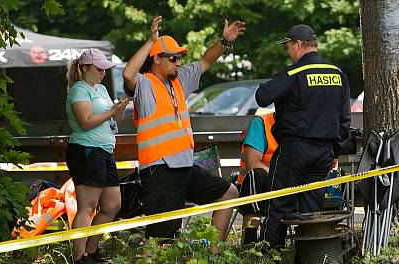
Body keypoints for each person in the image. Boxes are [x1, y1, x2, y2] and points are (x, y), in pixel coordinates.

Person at [122, 15, 246, 241]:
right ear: (157, 59)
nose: (178, 63)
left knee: (229, 194)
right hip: (159, 171)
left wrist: (224, 41)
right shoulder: (145, 84)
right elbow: (127, 74)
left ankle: (214, 258)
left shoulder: (180, 79)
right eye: (173, 58)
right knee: (160, 240)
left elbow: (206, 61)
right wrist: (151, 41)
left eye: (179, 58)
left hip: (184, 166)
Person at [255, 24, 350, 250]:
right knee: (310, 210)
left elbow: (262, 97)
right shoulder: (338, 75)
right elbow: (344, 119)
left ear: (298, 44)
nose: (288, 52)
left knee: (278, 206)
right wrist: (335, 152)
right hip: (324, 154)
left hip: (294, 151)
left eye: (288, 47)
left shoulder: (294, 73)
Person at [65, 48, 130, 264]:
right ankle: (77, 258)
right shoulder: (78, 90)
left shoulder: (100, 88)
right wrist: (111, 112)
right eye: (98, 69)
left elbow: (113, 119)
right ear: (84, 69)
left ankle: (91, 250)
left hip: (104, 151)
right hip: (86, 150)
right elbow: (86, 121)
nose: (103, 73)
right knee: (87, 207)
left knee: (113, 205)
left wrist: (119, 109)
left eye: (105, 69)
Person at [235, 108, 278, 244]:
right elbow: (253, 164)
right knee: (257, 176)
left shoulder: (302, 124)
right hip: (254, 186)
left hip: (284, 185)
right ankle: (250, 241)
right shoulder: (262, 123)